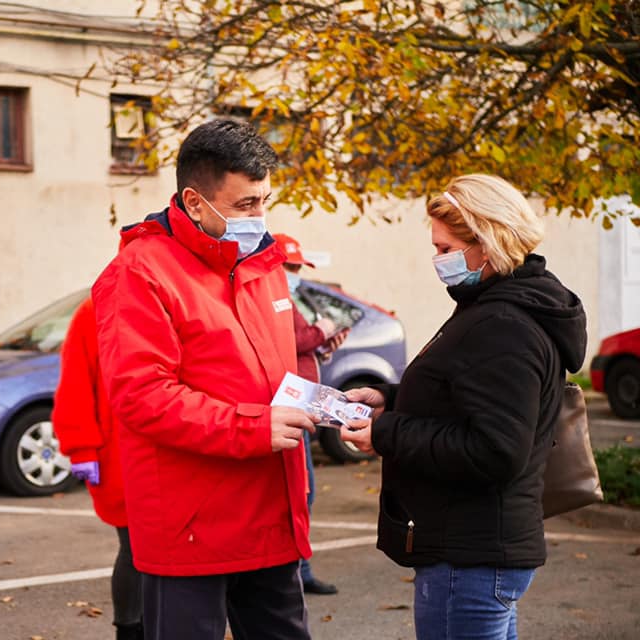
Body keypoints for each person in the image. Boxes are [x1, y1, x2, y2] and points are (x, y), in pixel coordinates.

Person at [92, 118, 316, 640]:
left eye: (263, 200)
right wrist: (254, 427)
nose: (260, 217)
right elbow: (143, 395)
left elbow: (268, 371)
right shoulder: (140, 272)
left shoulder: (263, 263)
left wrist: (323, 401)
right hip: (190, 526)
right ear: (194, 202)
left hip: (268, 515)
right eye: (245, 205)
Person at [339, 174, 587, 640]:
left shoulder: (503, 324)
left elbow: (495, 449)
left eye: (445, 247)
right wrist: (389, 398)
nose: (438, 260)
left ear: (487, 244)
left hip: (469, 558)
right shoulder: (496, 305)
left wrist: (385, 433)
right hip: (474, 552)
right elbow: (470, 396)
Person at [52, 295, 143, 640]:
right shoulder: (98, 309)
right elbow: (76, 380)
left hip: (170, 447)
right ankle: (131, 629)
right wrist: (81, 446)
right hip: (119, 452)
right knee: (135, 546)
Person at [273, 232, 347, 596]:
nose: (295, 271)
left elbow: (300, 348)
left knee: (304, 493)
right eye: (290, 265)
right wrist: (322, 333)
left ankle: (298, 570)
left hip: (301, 405)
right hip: (289, 407)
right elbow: (292, 340)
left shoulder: (292, 298)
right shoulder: (277, 300)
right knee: (301, 493)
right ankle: (293, 572)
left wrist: (322, 348)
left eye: (298, 266)